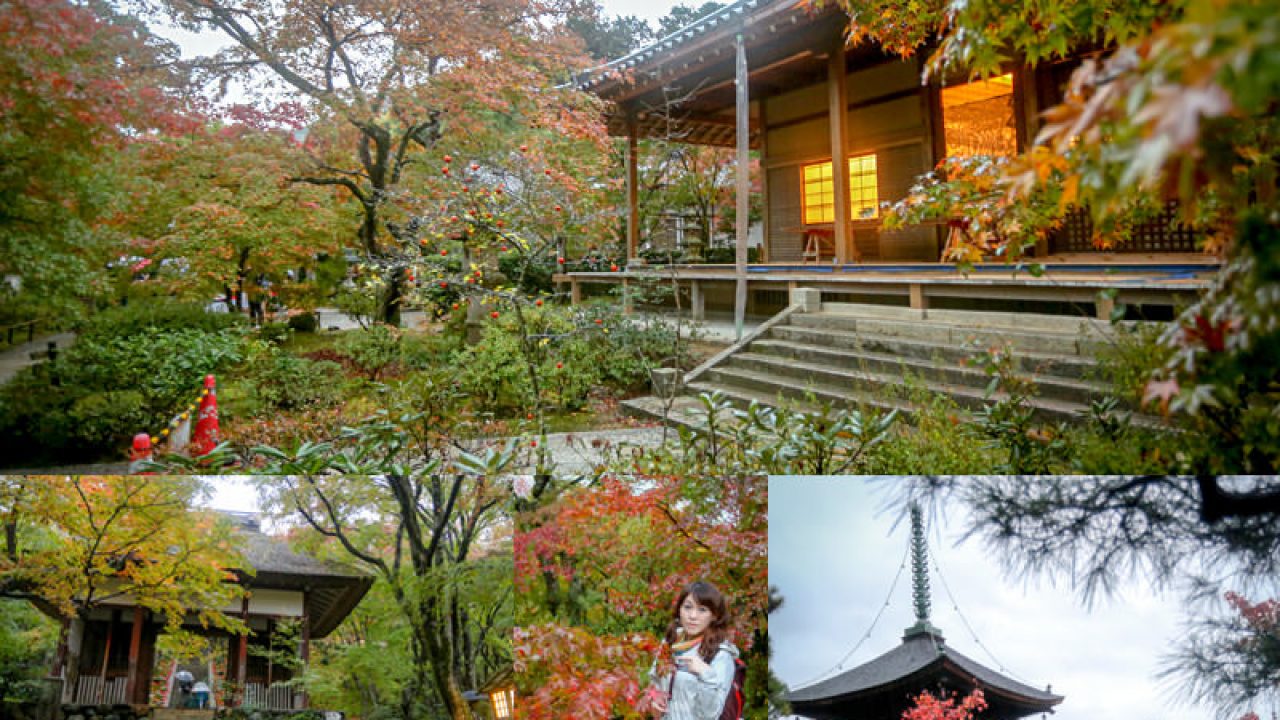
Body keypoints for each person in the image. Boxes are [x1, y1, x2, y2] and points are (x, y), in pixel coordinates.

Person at [648, 581, 740, 720]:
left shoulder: (720, 656)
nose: (693, 616)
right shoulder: (669, 643)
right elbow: (655, 684)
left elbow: (711, 715)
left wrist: (705, 674)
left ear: (714, 615)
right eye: (688, 607)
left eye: (702, 610)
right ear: (679, 610)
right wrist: (654, 700)